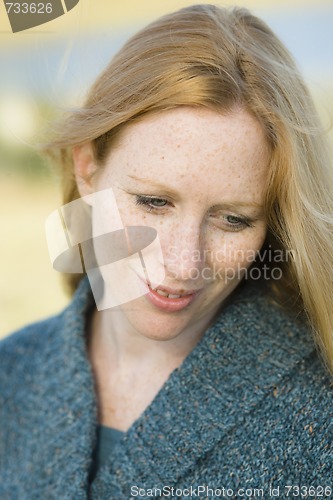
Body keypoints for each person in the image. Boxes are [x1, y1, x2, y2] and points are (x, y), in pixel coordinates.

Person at [1, 4, 332, 498]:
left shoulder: (319, 416)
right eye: (153, 202)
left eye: (233, 219)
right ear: (88, 167)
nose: (182, 263)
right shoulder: (11, 373)